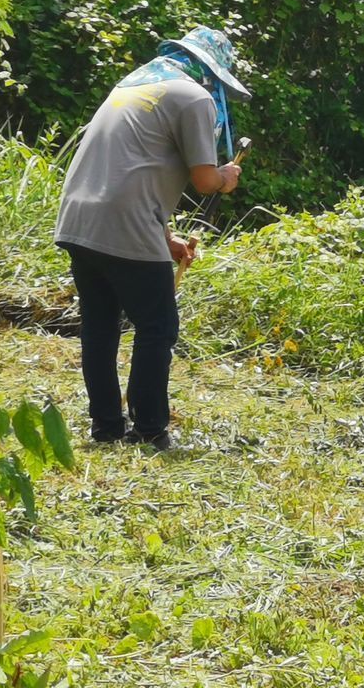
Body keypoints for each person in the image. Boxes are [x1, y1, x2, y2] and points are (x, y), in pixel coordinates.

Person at [54, 25, 251, 450]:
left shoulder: (133, 86)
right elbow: (203, 179)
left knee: (100, 327)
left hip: (78, 218)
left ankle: (106, 427)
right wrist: (227, 178)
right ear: (212, 73)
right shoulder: (195, 98)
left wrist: (164, 239)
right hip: (124, 221)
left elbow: (131, 170)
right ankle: (149, 430)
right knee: (157, 326)